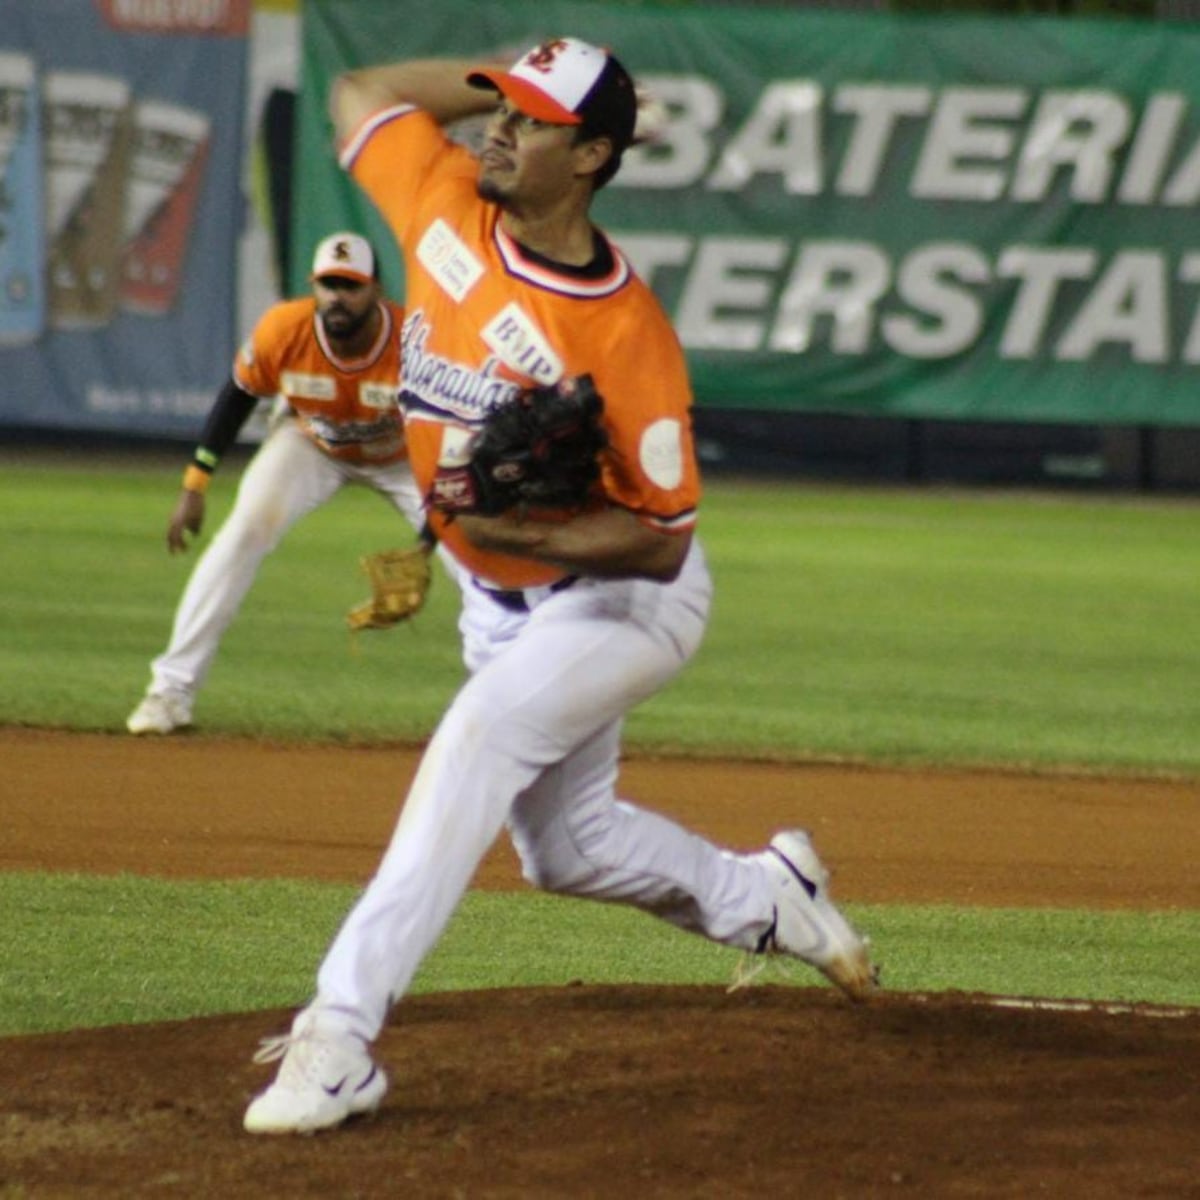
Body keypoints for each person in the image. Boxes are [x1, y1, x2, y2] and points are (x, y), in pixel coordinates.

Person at [243, 38, 877, 1135]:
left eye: (531, 120)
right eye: (504, 109)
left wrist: (492, 521)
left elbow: (663, 539)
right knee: (566, 851)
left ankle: (338, 1037)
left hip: (622, 604)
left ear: (588, 155)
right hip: (500, 606)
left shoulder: (625, 338)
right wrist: (502, 69)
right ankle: (766, 898)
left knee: (479, 737)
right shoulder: (441, 203)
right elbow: (363, 94)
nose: (499, 126)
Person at [126, 232, 429, 735]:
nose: (337, 296)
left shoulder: (413, 341)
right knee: (244, 531)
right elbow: (237, 395)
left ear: (376, 290)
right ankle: (169, 693)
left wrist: (433, 538)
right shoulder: (285, 329)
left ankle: (518, 710)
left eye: (350, 285)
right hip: (312, 445)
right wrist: (194, 484)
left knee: (477, 563)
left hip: (402, 458)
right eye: (328, 284)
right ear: (315, 287)